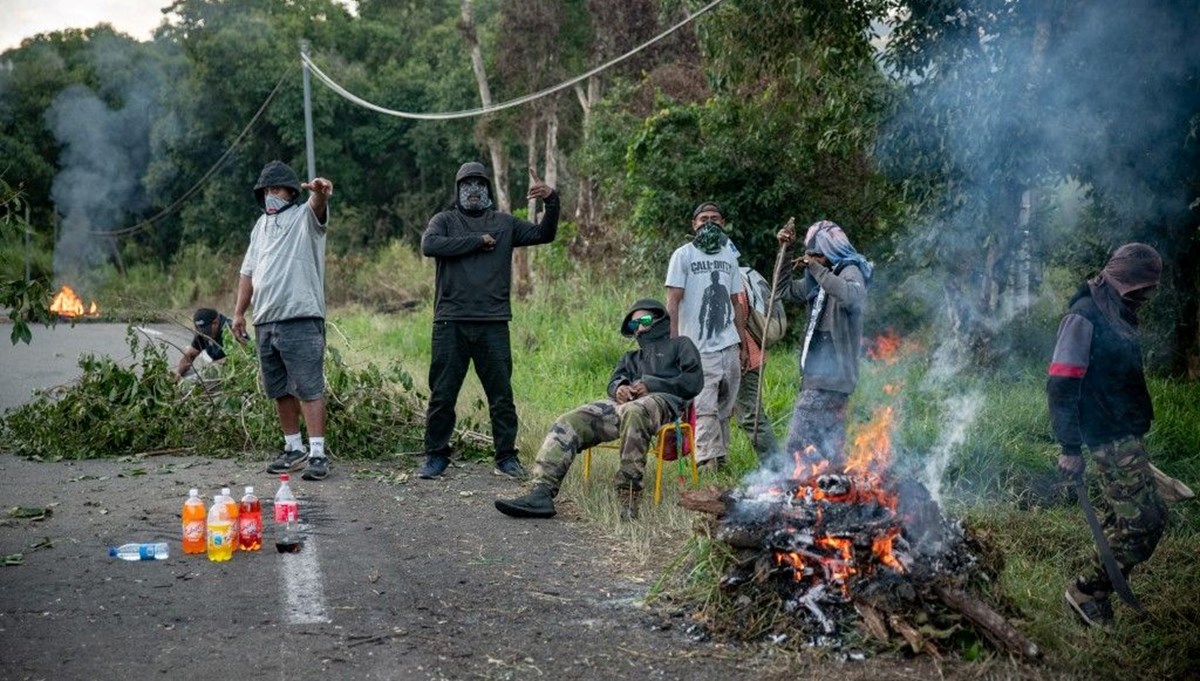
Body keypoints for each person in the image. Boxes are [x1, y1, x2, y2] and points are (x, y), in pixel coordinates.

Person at [494, 299, 702, 520]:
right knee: (571, 420)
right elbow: (614, 381)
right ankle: (541, 492)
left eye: (645, 320)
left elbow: (694, 381)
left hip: (662, 404)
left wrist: (652, 385)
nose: (639, 327)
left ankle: (628, 497)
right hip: (623, 406)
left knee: (635, 411)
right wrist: (619, 389)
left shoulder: (681, 345)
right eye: (634, 325)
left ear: (660, 319)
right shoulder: (631, 357)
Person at [1047, 242, 1166, 628]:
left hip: (1124, 433)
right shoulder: (1084, 315)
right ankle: (1086, 590)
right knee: (1140, 524)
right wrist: (1069, 446)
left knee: (1149, 519)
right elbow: (1061, 384)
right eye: (1141, 287)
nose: (1146, 296)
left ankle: (1094, 591)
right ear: (1123, 279)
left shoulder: (1118, 311)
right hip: (1105, 437)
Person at [418, 162, 559, 480]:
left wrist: (551, 200)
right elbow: (430, 245)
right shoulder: (445, 221)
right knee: (443, 393)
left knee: (501, 395)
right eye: (466, 184)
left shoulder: (504, 224)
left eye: (479, 184)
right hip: (450, 321)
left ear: (488, 190)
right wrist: (477, 241)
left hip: (493, 322)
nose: (472, 189)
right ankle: (436, 455)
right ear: (457, 190)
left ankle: (506, 457)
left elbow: (544, 234)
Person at [233, 161, 333, 481]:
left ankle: (317, 453)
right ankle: (293, 448)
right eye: (266, 190)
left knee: (308, 386)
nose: (270, 194)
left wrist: (320, 194)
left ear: (291, 191)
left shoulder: (304, 217)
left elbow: (317, 207)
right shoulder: (260, 226)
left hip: (300, 316)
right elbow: (248, 272)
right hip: (265, 318)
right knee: (279, 389)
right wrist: (238, 313)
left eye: (276, 189)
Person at [775, 220, 871, 468]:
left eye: (816, 254)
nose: (810, 259)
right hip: (816, 375)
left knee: (795, 446)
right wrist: (785, 252)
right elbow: (782, 290)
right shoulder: (818, 279)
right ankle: (830, 498)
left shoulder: (851, 271)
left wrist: (817, 270)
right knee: (827, 450)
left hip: (832, 376)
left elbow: (851, 296)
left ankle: (782, 492)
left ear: (829, 252)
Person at [665, 202, 749, 471]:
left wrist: (742, 343)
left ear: (723, 223)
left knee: (725, 407)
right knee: (705, 408)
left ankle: (720, 460)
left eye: (714, 218)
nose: (709, 223)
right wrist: (675, 345)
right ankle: (704, 463)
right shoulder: (683, 255)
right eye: (703, 219)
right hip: (698, 347)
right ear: (694, 224)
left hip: (728, 345)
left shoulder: (728, 256)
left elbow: (736, 302)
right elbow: (673, 301)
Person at [174, 308, 244, 380]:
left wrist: (213, 364)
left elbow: (242, 356)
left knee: (200, 378)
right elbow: (190, 355)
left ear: (215, 323)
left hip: (237, 372)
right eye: (201, 331)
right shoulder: (202, 333)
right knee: (185, 377)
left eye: (207, 330)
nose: (204, 334)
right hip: (217, 369)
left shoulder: (232, 329)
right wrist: (178, 372)